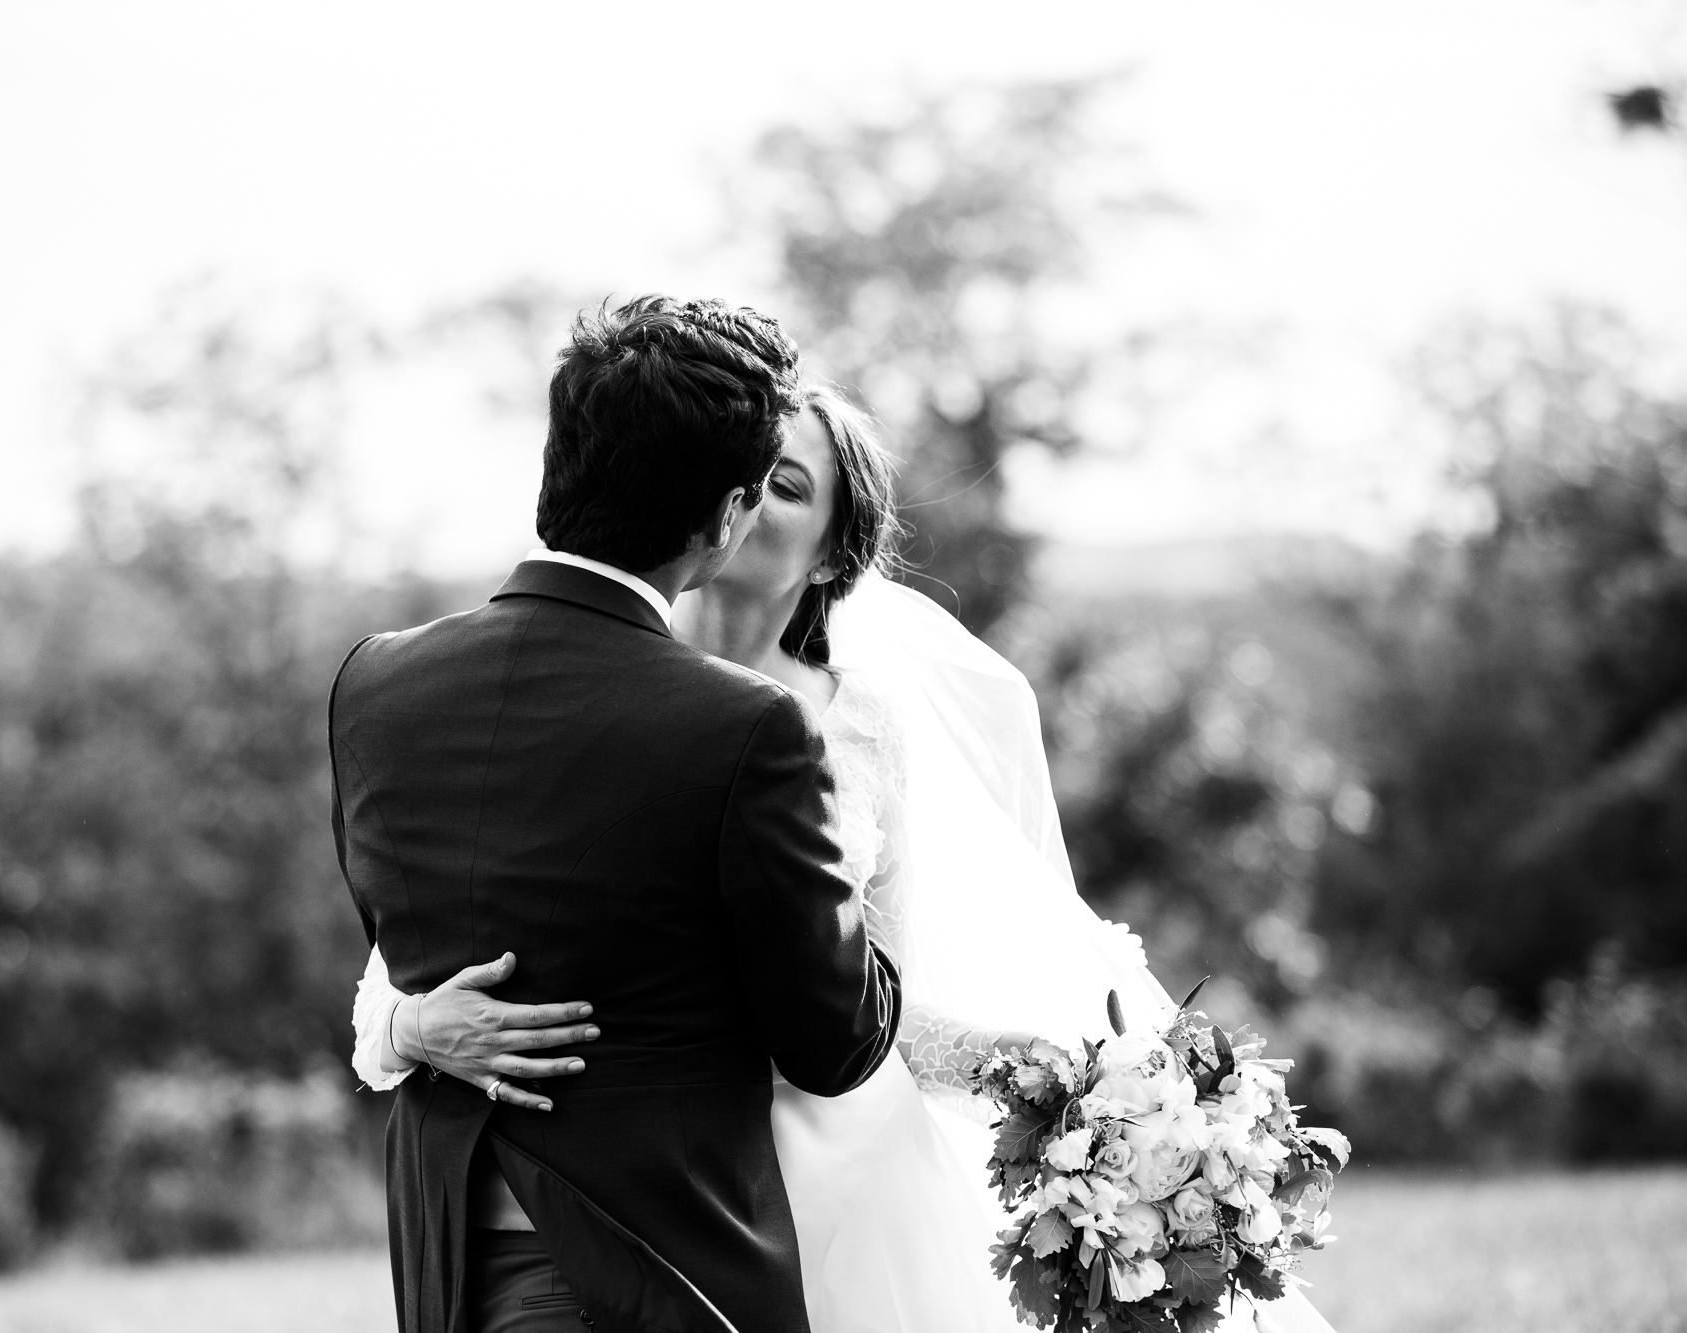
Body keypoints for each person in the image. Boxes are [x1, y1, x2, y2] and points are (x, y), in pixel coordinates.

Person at [353, 384, 1340, 1333]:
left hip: (822, 1165)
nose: (746, 498)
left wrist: (1023, 1070)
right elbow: (424, 945)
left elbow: (872, 989)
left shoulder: (855, 721)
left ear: (833, 556)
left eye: (783, 484)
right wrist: (409, 1021)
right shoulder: (582, 689)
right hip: (639, 1178)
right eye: (742, 473)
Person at [328, 295, 902, 1333]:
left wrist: (412, 1022)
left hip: (445, 1266)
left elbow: (408, 951)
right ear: (724, 517)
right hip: (642, 1280)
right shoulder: (745, 729)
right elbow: (832, 1041)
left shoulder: (374, 682)